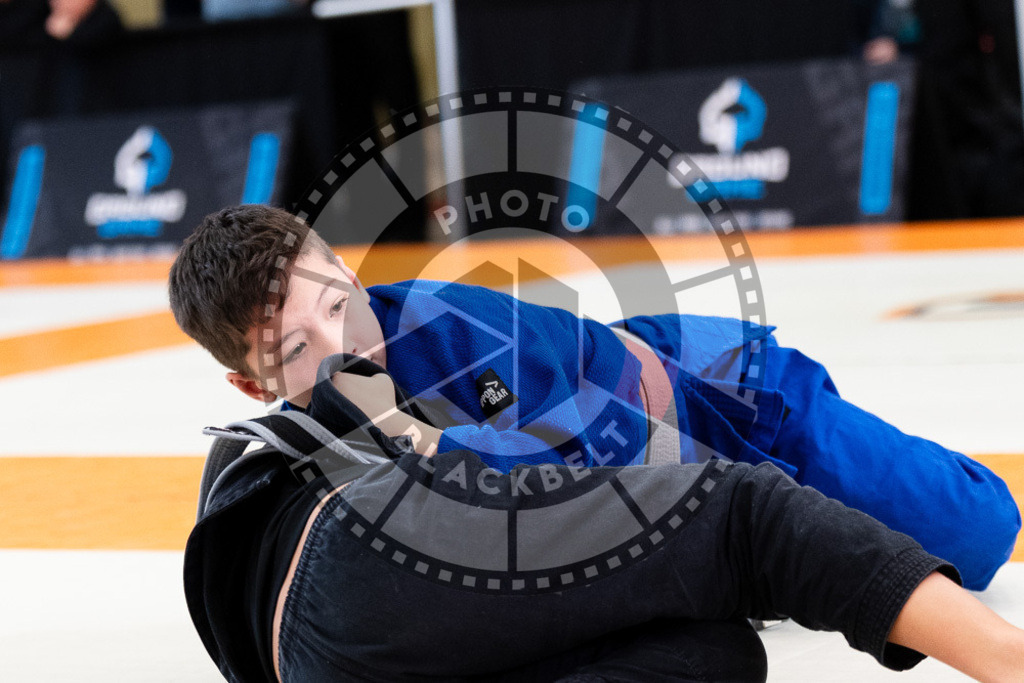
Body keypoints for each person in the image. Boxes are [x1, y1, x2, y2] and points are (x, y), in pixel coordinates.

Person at [169, 205, 1020, 592]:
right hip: (657, 469)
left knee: (974, 538)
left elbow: (606, 464)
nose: (340, 344)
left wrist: (424, 445)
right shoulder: (297, 446)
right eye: (294, 351)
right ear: (254, 384)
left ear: (351, 274)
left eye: (336, 304)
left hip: (728, 399)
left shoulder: (458, 327)